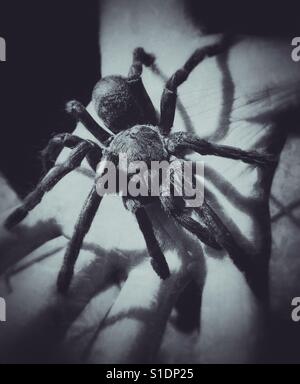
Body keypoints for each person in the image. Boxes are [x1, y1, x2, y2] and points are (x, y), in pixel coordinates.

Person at [0, 0, 300, 363]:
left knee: (176, 100)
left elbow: (171, 83)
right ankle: (47, 227)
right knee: (79, 173)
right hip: (100, 124)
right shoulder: (107, 157)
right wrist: (42, 190)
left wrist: (197, 52)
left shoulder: (168, 138)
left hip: (148, 132)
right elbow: (71, 136)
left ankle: (215, 270)